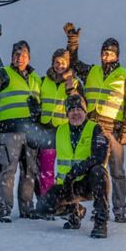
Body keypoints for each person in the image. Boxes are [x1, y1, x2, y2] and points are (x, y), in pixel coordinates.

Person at [64, 23, 126, 223]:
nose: (106, 56)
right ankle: (100, 208)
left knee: (117, 171)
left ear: (117, 55)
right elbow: (73, 62)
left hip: (113, 129)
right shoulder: (92, 71)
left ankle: (119, 210)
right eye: (104, 53)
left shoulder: (125, 75)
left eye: (110, 53)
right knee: (96, 170)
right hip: (93, 127)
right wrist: (73, 41)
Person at [35, 95, 110, 238]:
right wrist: (35, 118)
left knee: (99, 171)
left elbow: (100, 157)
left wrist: (75, 171)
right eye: (71, 110)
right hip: (67, 186)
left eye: (79, 109)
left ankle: (101, 222)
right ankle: (74, 212)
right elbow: (36, 141)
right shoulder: (59, 131)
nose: (75, 113)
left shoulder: (96, 129)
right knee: (42, 207)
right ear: (67, 114)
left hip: (88, 184)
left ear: (85, 111)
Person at [0, 40, 41, 223]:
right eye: (16, 54)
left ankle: (27, 207)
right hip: (10, 130)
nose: (20, 58)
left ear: (29, 57)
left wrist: (37, 111)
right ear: (11, 57)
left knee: (29, 171)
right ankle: (4, 208)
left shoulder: (36, 79)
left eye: (23, 54)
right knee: (8, 170)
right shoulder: (4, 74)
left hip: (31, 130)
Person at [37, 48, 83, 203]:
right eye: (57, 62)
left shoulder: (75, 83)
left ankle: (66, 201)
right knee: (46, 168)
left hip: (65, 130)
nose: (60, 65)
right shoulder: (43, 81)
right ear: (52, 63)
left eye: (63, 62)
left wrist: (71, 89)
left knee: (66, 169)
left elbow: (82, 107)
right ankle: (47, 201)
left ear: (68, 64)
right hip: (47, 129)